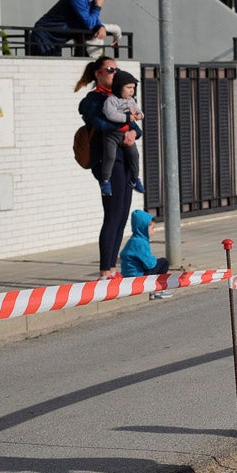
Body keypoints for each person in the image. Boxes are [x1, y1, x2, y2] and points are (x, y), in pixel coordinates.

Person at [75, 56, 139, 280]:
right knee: (112, 215)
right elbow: (100, 124)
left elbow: (136, 127)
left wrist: (132, 132)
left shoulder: (120, 98)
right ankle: (104, 270)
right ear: (98, 73)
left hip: (125, 158)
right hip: (108, 161)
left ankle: (112, 268)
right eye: (110, 69)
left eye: (116, 69)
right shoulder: (93, 100)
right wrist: (124, 128)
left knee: (122, 215)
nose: (114, 73)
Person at [28, 0, 118, 57]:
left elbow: (92, 19)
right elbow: (88, 24)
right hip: (45, 36)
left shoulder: (89, 1)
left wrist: (100, 26)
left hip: (56, 39)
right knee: (44, 69)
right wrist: (98, 7)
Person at [101, 70, 146, 196]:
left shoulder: (131, 101)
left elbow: (139, 112)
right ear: (119, 87)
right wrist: (126, 117)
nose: (131, 91)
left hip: (126, 133)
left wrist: (139, 115)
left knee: (134, 156)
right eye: (128, 87)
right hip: (112, 134)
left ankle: (135, 179)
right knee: (110, 156)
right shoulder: (111, 101)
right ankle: (105, 181)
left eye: (133, 88)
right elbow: (111, 114)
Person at [120, 210, 172, 300]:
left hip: (128, 275)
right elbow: (150, 264)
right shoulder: (140, 243)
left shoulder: (134, 240)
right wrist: (155, 260)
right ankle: (157, 288)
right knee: (163, 262)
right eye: (152, 228)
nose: (153, 231)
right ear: (143, 228)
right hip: (137, 276)